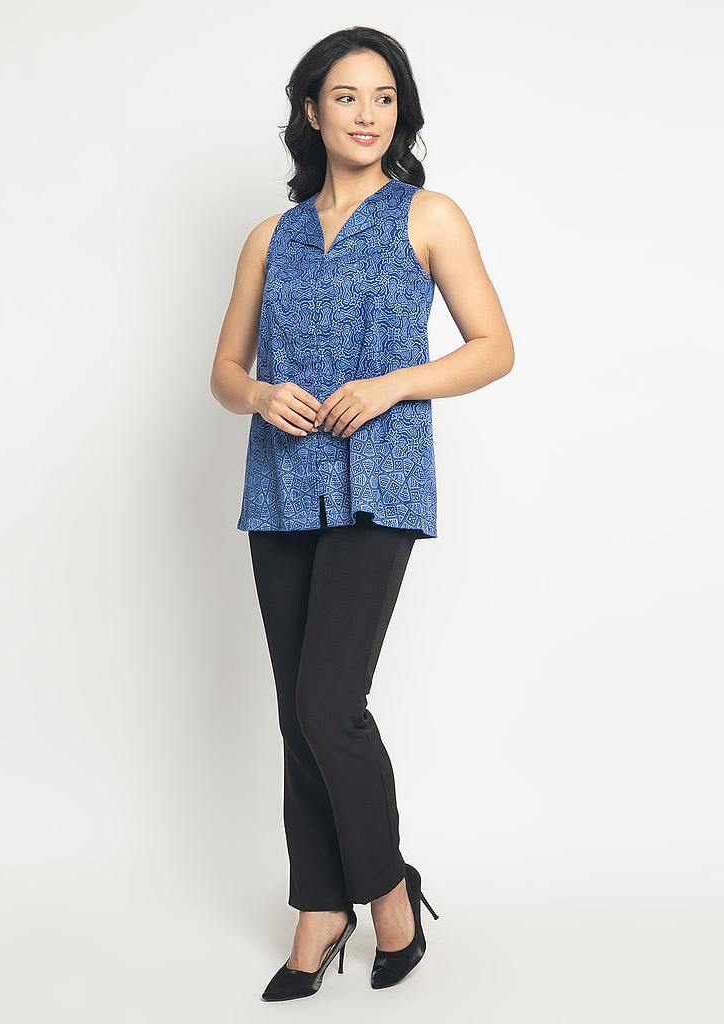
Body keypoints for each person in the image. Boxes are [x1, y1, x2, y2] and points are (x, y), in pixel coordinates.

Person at [209, 26, 514, 1001]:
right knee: (295, 711)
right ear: (312, 111)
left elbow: (493, 346)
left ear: (400, 112)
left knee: (327, 703)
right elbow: (225, 371)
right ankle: (318, 904)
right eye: (346, 96)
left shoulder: (429, 215)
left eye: (384, 97)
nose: (367, 114)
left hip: (380, 475)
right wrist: (260, 395)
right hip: (280, 483)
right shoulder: (272, 237)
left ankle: (383, 889)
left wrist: (390, 385)